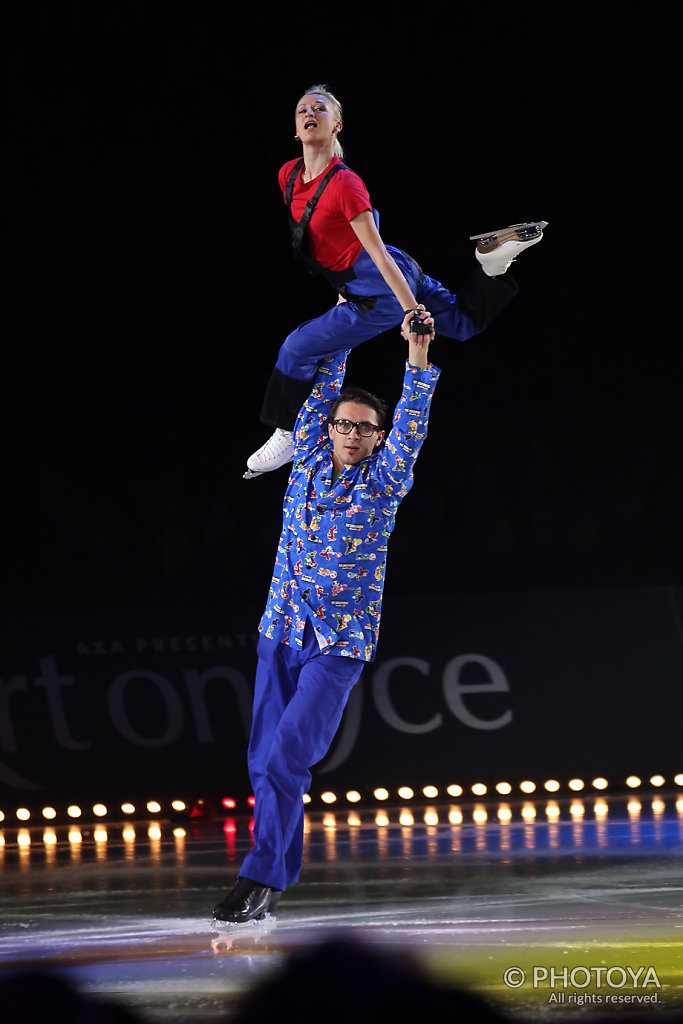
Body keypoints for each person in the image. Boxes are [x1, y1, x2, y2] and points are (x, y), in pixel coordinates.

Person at [213, 317, 438, 923]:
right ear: (329, 427)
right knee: (263, 761)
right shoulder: (307, 458)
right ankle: (272, 879)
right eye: (343, 423)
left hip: (337, 642)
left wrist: (416, 354)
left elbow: (412, 423)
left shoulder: (385, 482)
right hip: (281, 627)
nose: (351, 434)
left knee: (288, 753)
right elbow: (322, 380)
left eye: (365, 428)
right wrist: (349, 314)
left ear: (377, 436)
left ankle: (257, 876)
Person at [244, 83, 545, 478]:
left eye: (320, 108)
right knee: (463, 323)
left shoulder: (345, 184)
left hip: (380, 288)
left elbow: (376, 251)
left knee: (296, 348)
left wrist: (409, 310)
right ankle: (491, 264)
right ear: (296, 129)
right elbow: (329, 242)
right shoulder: (288, 176)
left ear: (336, 125)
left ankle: (285, 431)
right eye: (302, 109)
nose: (309, 112)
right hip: (391, 273)